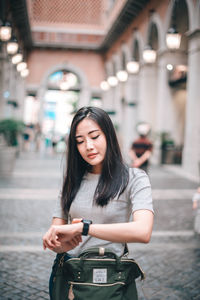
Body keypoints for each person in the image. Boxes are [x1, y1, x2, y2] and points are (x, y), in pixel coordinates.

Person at [43, 107, 154, 298]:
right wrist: (58, 244)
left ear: (109, 136)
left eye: (94, 136)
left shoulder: (135, 178)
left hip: (113, 278)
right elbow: (58, 240)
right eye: (80, 141)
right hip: (71, 277)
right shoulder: (71, 180)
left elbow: (143, 231)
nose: (88, 146)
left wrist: (84, 228)